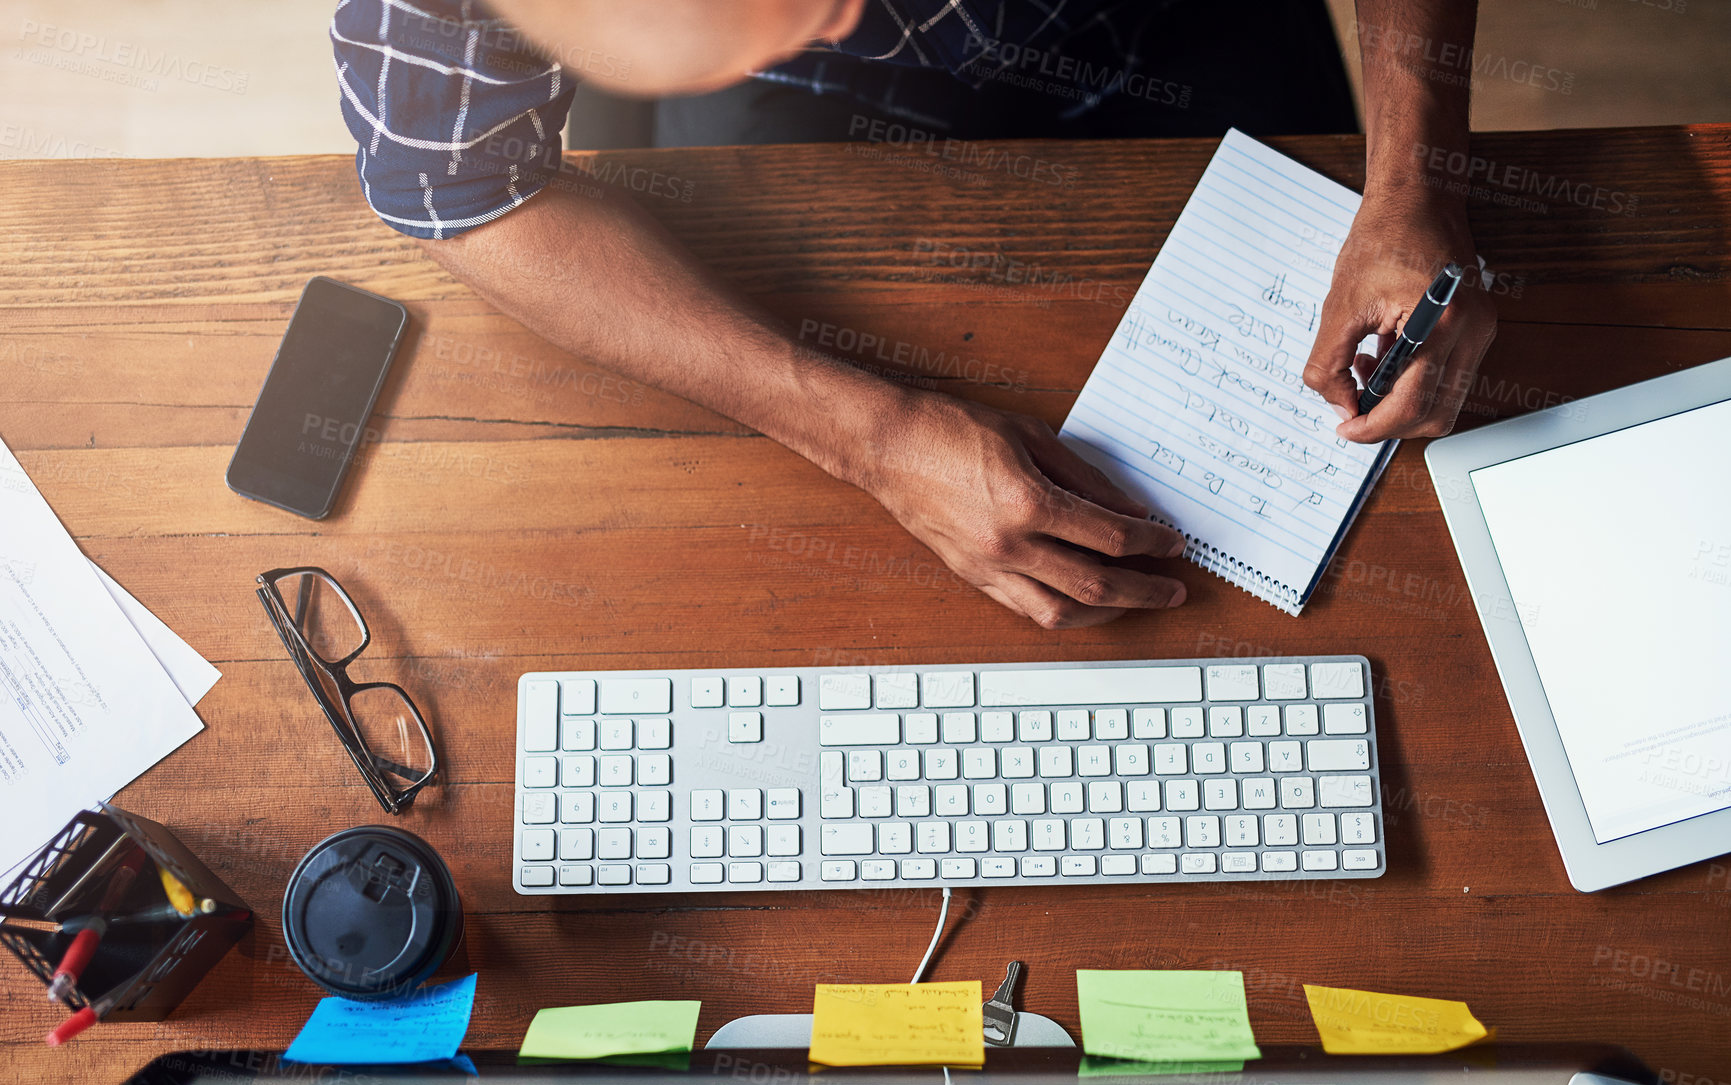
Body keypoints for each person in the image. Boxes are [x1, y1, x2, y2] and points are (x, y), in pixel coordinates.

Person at [331, 0, 1496, 629]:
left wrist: (1412, 178)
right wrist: (865, 435)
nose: (841, 19)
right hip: (814, 137)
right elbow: (464, 189)